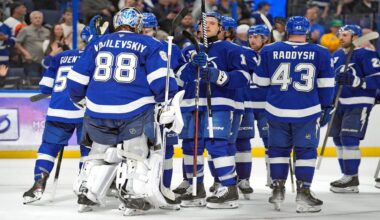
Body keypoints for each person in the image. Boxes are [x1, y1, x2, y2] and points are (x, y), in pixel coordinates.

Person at [67, 7, 179, 216]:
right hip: (134, 108)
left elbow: (75, 79)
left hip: (97, 109)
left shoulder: (97, 42)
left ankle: (87, 192)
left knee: (100, 150)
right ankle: (134, 196)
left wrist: (78, 99)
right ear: (138, 25)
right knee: (136, 152)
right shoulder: (150, 43)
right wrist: (166, 100)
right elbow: (160, 81)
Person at [253, 16, 335, 213]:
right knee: (305, 152)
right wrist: (326, 107)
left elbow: (260, 83)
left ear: (287, 30)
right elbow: (326, 86)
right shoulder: (321, 52)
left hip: (276, 110)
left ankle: (277, 189)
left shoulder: (269, 50)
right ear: (307, 31)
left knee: (278, 150)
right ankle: (304, 193)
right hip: (307, 111)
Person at [176, 11, 250, 209]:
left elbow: (244, 77)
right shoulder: (188, 50)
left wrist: (218, 75)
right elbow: (178, 79)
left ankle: (229, 188)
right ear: (197, 29)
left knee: (217, 145)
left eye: (212, 23)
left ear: (221, 29)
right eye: (203, 23)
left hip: (218, 104)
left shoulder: (230, 49)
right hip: (191, 105)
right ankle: (195, 188)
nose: (206, 26)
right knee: (191, 147)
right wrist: (191, 66)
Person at [21, 23, 99, 205]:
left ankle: (38, 184)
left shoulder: (61, 56)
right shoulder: (97, 58)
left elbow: (45, 87)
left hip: (57, 111)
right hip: (84, 112)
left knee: (48, 148)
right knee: (89, 151)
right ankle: (84, 187)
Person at [141, 12, 185, 209]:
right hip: (139, 107)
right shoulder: (134, 48)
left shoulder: (170, 48)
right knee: (137, 149)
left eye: (148, 29)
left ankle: (164, 187)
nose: (144, 33)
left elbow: (183, 74)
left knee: (167, 148)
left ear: (155, 30)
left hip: (162, 106)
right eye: (141, 29)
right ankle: (139, 189)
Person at [332, 24, 380, 193]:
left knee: (349, 138)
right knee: (338, 139)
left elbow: (377, 79)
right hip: (340, 103)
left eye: (345, 34)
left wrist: (357, 81)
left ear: (355, 37)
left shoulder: (367, 54)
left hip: (359, 102)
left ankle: (352, 178)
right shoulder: (337, 55)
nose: (341, 37)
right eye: (340, 34)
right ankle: (346, 176)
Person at [247, 24, 271, 188]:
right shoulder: (243, 53)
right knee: (241, 144)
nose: (252, 40)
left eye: (256, 37)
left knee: (271, 144)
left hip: (267, 107)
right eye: (250, 36)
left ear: (265, 39)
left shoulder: (273, 55)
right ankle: (242, 180)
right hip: (246, 105)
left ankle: (273, 177)